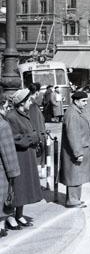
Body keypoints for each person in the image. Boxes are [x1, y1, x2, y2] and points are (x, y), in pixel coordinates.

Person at [5, 89, 43, 230]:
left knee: (24, 186)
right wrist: (33, 137)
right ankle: (10, 216)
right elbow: (15, 139)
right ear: (22, 102)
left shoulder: (23, 114)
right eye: (29, 100)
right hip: (19, 157)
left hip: (27, 156)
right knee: (16, 187)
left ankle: (19, 214)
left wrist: (34, 136)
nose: (31, 102)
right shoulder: (11, 117)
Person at [59, 91, 90, 208]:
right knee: (74, 175)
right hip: (75, 151)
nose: (86, 103)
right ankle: (72, 200)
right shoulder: (72, 114)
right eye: (83, 101)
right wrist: (78, 153)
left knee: (77, 175)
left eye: (86, 101)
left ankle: (75, 199)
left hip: (78, 149)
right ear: (76, 101)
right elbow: (73, 135)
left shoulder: (75, 111)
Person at [0, 94, 20, 238]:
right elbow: (8, 152)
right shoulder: (3, 125)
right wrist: (13, 173)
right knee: (2, 196)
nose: (8, 109)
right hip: (1, 169)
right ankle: (1, 226)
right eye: (7, 106)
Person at [27, 84, 48, 176]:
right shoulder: (33, 105)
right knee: (38, 159)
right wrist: (39, 138)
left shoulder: (31, 103)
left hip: (37, 134)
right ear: (37, 92)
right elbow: (35, 123)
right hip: (37, 136)